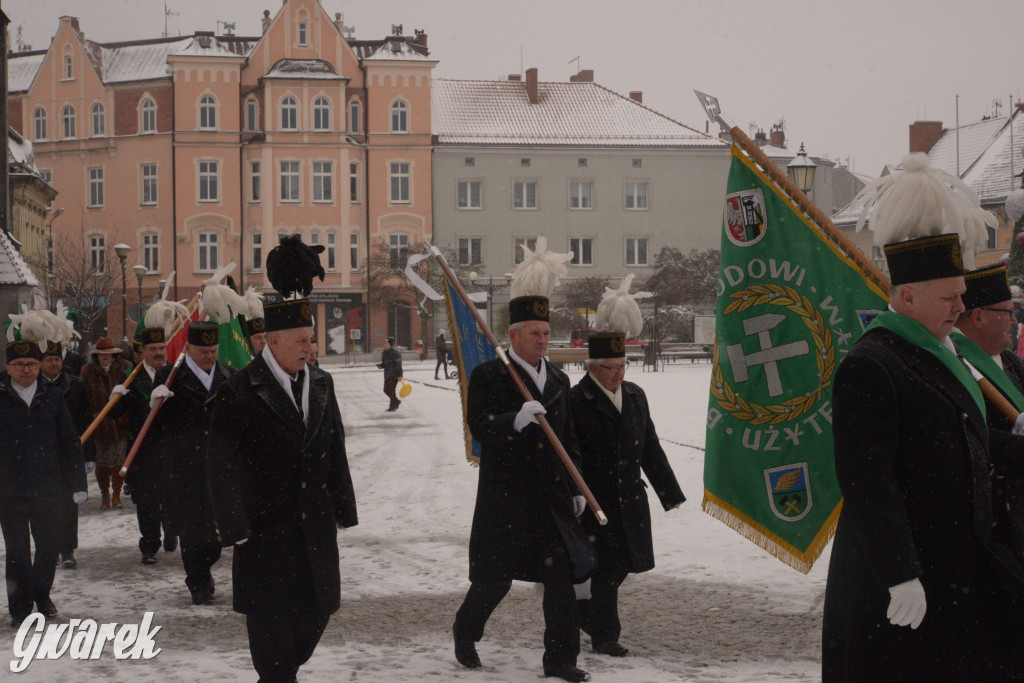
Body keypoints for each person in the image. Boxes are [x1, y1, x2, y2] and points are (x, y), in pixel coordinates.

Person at [822, 232, 1024, 681]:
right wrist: (899, 574)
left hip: (957, 561)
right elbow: (867, 482)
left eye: (962, 296)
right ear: (908, 296)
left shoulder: (939, 353)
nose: (959, 307)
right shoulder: (872, 363)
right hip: (905, 573)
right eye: (949, 297)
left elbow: (967, 441)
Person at [207, 295, 358, 682]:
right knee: (272, 641)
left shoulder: (323, 382)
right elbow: (218, 464)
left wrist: (344, 507)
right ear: (273, 342)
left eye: (312, 339)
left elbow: (334, 446)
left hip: (315, 528)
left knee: (318, 614)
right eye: (301, 341)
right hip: (264, 533)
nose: (311, 348)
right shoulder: (239, 390)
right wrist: (234, 526)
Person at [453, 295, 594, 683]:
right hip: (507, 499)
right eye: (535, 333)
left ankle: (561, 661)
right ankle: (465, 632)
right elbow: (479, 426)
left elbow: (569, 440)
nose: (543, 339)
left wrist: (576, 485)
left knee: (560, 581)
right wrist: (514, 420)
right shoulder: (489, 375)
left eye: (547, 333)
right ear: (513, 335)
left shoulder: (559, 380)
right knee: (494, 580)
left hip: (551, 499)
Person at [569, 332, 685, 657]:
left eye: (623, 365)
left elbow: (650, 445)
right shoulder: (576, 400)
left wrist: (668, 491)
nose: (619, 373)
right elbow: (569, 453)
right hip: (596, 501)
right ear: (592, 367)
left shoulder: (635, 395)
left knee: (621, 566)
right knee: (609, 566)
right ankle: (604, 635)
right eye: (611, 367)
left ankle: (586, 614)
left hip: (630, 498)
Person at [0, 339, 87, 627]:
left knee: (49, 546)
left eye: (32, 364)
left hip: (49, 487)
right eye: (19, 365)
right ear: (8, 368)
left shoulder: (53, 395)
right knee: (17, 551)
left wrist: (78, 482)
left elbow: (69, 441)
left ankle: (42, 594)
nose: (26, 369)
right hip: (9, 489)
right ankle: (21, 607)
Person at [148, 321, 233, 605]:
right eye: (203, 351)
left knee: (215, 534)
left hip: (219, 466)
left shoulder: (227, 375)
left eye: (213, 350)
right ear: (188, 349)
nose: (209, 356)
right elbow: (157, 428)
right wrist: (157, 404)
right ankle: (198, 581)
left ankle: (205, 565)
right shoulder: (169, 376)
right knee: (192, 530)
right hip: (185, 466)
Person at [952, 264, 1024, 563]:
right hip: (992, 522)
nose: (1013, 320)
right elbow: (964, 433)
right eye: (1007, 312)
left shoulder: (1008, 360)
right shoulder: (952, 362)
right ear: (978, 316)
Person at [112, 327, 176, 565]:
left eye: (161, 348)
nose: (158, 353)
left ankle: (172, 529)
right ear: (141, 353)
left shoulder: (177, 374)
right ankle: (149, 545)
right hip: (142, 450)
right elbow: (117, 415)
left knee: (171, 495)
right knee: (146, 500)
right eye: (152, 349)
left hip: (171, 447)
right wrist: (116, 398)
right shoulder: (131, 377)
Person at [40, 341, 94, 570]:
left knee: (68, 504)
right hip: (41, 454)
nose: (54, 364)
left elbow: (86, 419)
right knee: (44, 504)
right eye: (50, 359)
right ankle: (47, 547)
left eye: (57, 359)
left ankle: (67, 549)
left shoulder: (76, 384)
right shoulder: (34, 385)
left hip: (69, 452)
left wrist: (88, 455)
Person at [80, 336, 133, 510]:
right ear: (96, 355)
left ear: (114, 355)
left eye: (108, 354)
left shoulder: (126, 368)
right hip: (99, 424)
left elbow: (132, 394)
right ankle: (105, 495)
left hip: (120, 422)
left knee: (119, 461)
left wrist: (126, 413)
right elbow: (84, 397)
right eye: (101, 354)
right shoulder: (87, 371)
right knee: (102, 462)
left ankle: (116, 495)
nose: (105, 357)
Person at [378, 337, 403, 411]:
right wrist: (381, 366)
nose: (385, 345)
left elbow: (398, 365)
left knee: (392, 391)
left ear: (390, 344)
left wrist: (399, 375)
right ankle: (396, 401)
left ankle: (392, 406)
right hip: (387, 375)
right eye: (384, 343)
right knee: (386, 390)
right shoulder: (384, 353)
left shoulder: (395, 353)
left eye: (386, 343)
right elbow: (385, 363)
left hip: (394, 375)